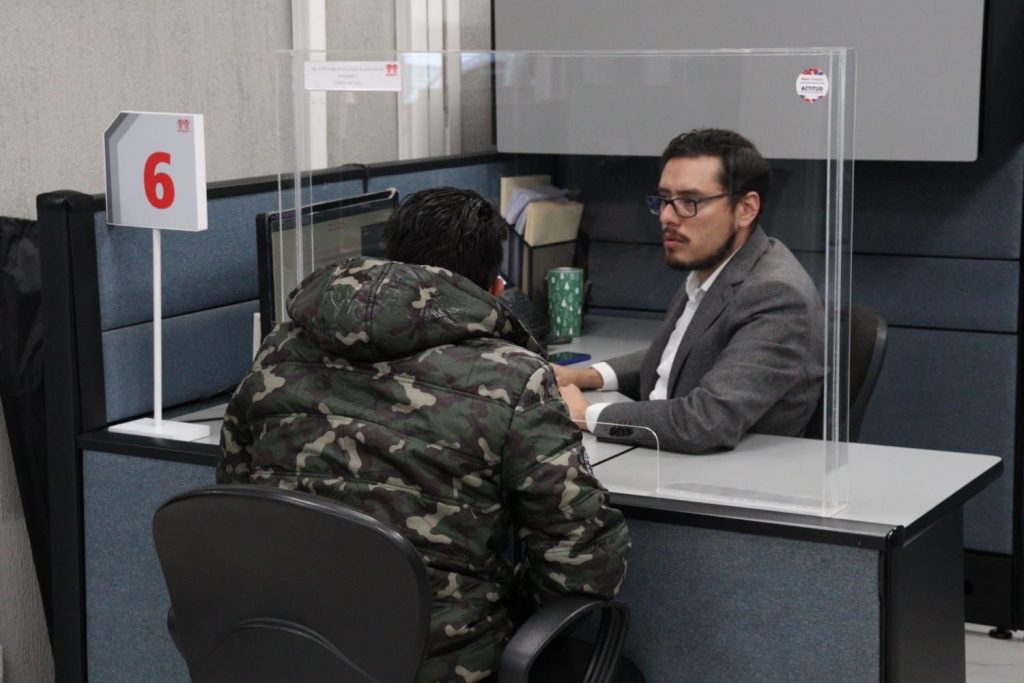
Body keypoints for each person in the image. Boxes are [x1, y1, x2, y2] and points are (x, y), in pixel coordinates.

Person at [218, 187, 629, 683]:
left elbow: (234, 494)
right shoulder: (513, 377)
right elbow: (583, 563)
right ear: (495, 290)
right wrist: (506, 600)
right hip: (439, 664)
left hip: (291, 651)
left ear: (391, 259)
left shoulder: (279, 349)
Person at [556, 128, 824, 454]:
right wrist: (586, 376)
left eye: (689, 202)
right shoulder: (716, 267)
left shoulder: (776, 294)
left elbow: (706, 421)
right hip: (668, 457)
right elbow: (681, 354)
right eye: (664, 200)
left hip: (712, 478)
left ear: (746, 209)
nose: (667, 217)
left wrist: (586, 415)